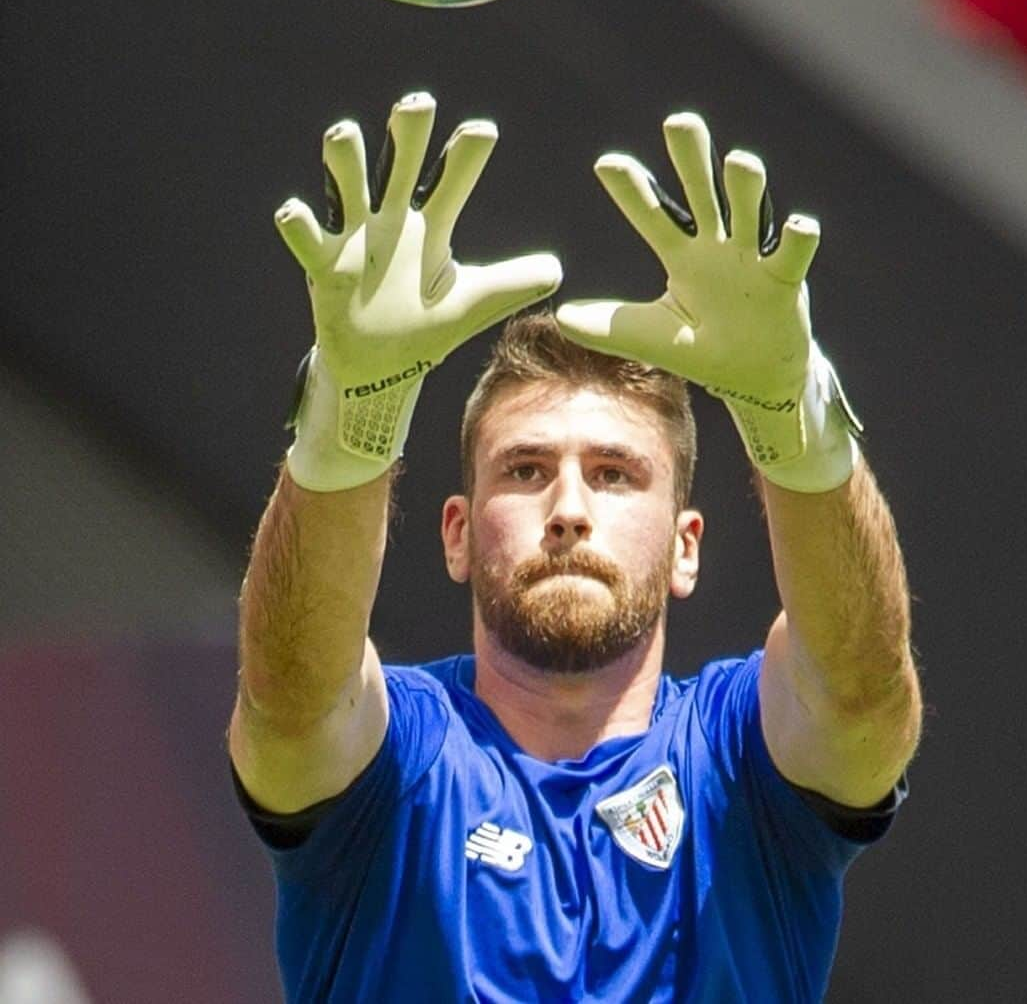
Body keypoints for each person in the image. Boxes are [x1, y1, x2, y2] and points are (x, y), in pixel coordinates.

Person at [229, 93, 922, 1003]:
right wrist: (348, 419)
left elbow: (865, 695)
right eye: (523, 470)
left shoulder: (734, 761)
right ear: (458, 534)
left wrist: (794, 423)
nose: (567, 507)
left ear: (686, 546)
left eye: (615, 474)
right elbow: (289, 700)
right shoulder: (401, 756)